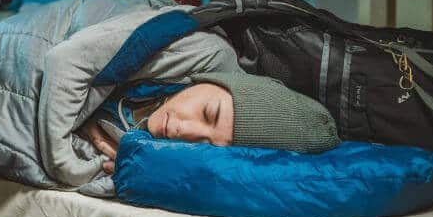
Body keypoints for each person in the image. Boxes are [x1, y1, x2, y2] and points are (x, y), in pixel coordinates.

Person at [79, 72, 341, 174]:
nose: (183, 131)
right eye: (208, 113)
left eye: (206, 145)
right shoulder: (175, 52)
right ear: (214, 81)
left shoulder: (136, 157)